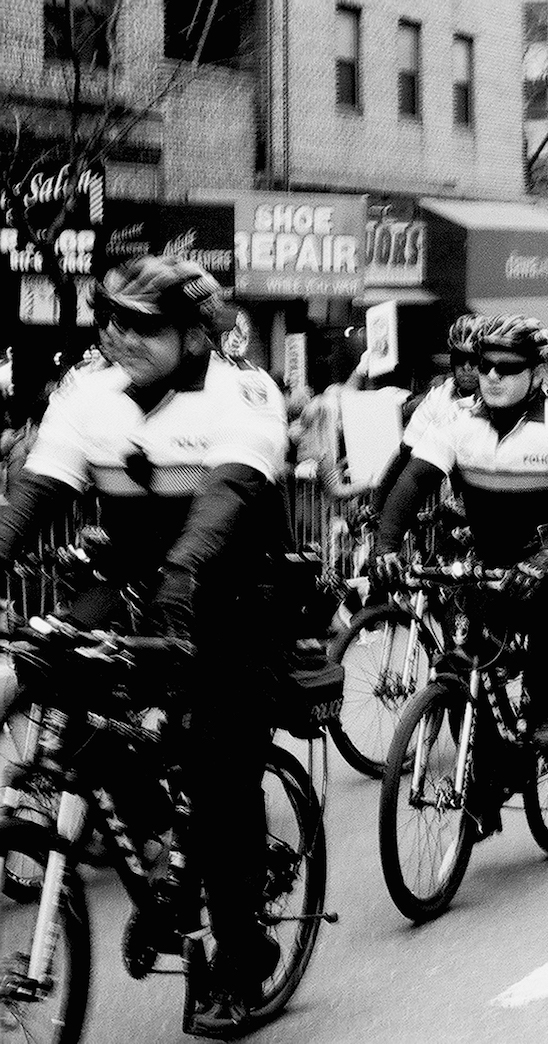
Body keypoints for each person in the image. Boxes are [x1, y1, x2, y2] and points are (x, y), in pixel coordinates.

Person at [0, 255, 290, 1035]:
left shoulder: (243, 392)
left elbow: (228, 491)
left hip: (228, 596)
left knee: (221, 775)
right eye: (109, 319)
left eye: (141, 324)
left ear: (196, 336)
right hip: (130, 583)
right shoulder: (88, 391)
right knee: (51, 686)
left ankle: (238, 953)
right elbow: (39, 489)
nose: (117, 335)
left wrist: (183, 574)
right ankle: (159, 858)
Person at [374, 314, 548, 834]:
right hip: (489, 558)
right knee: (462, 665)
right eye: (483, 364)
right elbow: (413, 482)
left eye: (507, 365)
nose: (493, 375)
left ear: (537, 370)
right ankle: (488, 776)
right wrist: (386, 543)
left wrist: (546, 554)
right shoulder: (455, 420)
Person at [372, 314, 482, 514]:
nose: (467, 367)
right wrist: (376, 506)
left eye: (474, 360)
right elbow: (404, 455)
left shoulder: (501, 398)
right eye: (460, 359)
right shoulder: (439, 397)